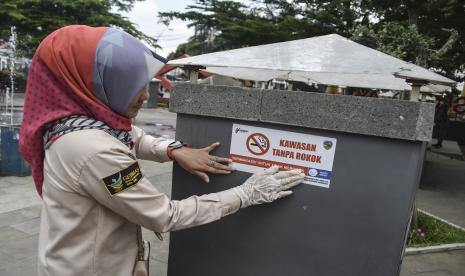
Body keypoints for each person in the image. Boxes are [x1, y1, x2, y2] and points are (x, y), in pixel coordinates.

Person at [19, 25, 304, 276]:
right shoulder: (94, 151)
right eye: (130, 85)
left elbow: (133, 135)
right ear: (93, 83)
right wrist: (245, 194)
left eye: (145, 84)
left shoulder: (75, 121)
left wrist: (174, 149)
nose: (145, 96)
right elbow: (165, 215)